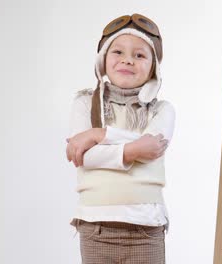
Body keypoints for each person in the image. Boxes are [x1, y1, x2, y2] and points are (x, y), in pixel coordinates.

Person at [65, 13, 175, 264]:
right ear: (103, 59)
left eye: (139, 55)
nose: (128, 60)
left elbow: (152, 146)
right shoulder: (84, 103)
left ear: (153, 67)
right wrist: (133, 149)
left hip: (145, 228)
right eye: (118, 52)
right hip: (95, 227)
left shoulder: (162, 110)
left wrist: (98, 134)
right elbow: (86, 157)